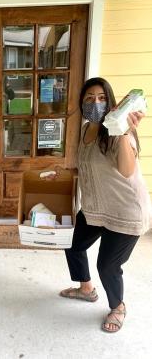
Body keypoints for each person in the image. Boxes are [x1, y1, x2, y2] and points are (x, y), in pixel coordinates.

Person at [58, 77, 149, 333]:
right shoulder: (87, 128)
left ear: (110, 101)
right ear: (82, 103)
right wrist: (63, 173)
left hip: (125, 211)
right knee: (73, 244)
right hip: (95, 207)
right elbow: (87, 166)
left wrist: (123, 131)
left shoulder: (118, 129)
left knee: (107, 265)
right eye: (89, 98)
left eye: (101, 98)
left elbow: (127, 169)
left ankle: (118, 307)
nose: (95, 103)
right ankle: (86, 289)